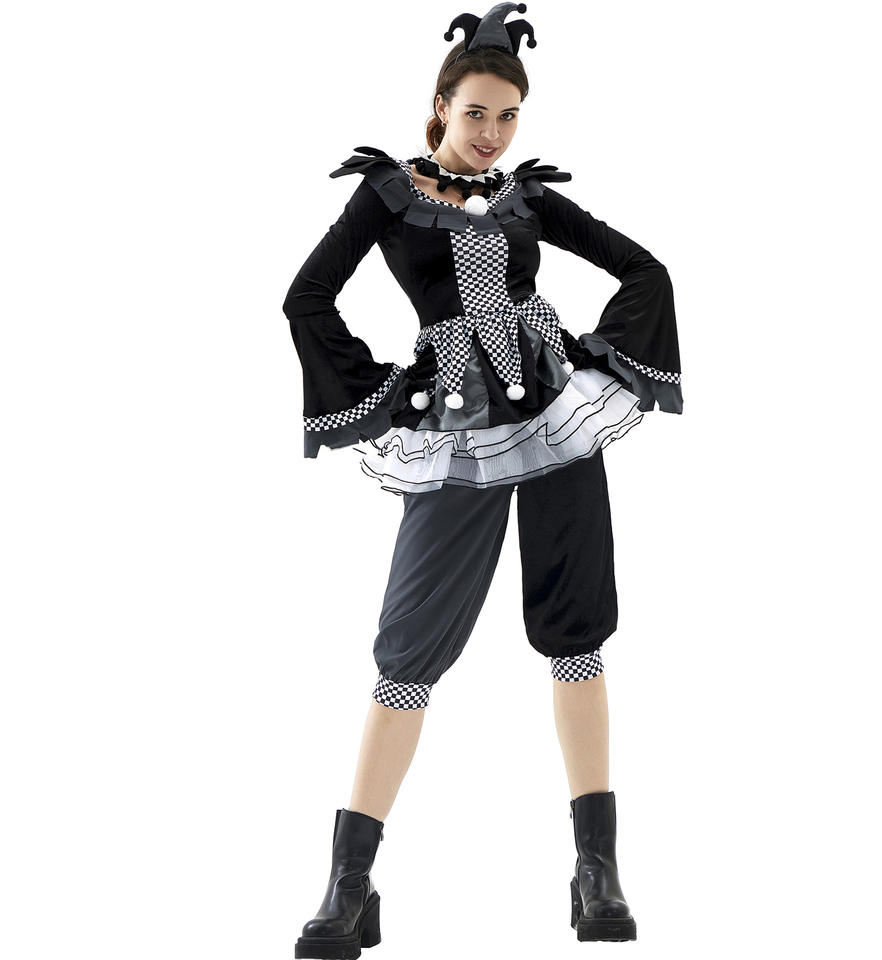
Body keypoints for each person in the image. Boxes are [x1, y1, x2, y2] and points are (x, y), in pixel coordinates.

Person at [282, 4, 682, 955]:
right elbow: (305, 296)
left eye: (507, 116)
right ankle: (349, 885)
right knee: (408, 649)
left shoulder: (525, 198)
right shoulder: (388, 194)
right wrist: (387, 392)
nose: (493, 133)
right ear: (440, 108)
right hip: (454, 435)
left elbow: (645, 269)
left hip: (554, 423)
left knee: (574, 634)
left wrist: (592, 359)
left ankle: (596, 872)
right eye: (476, 114)